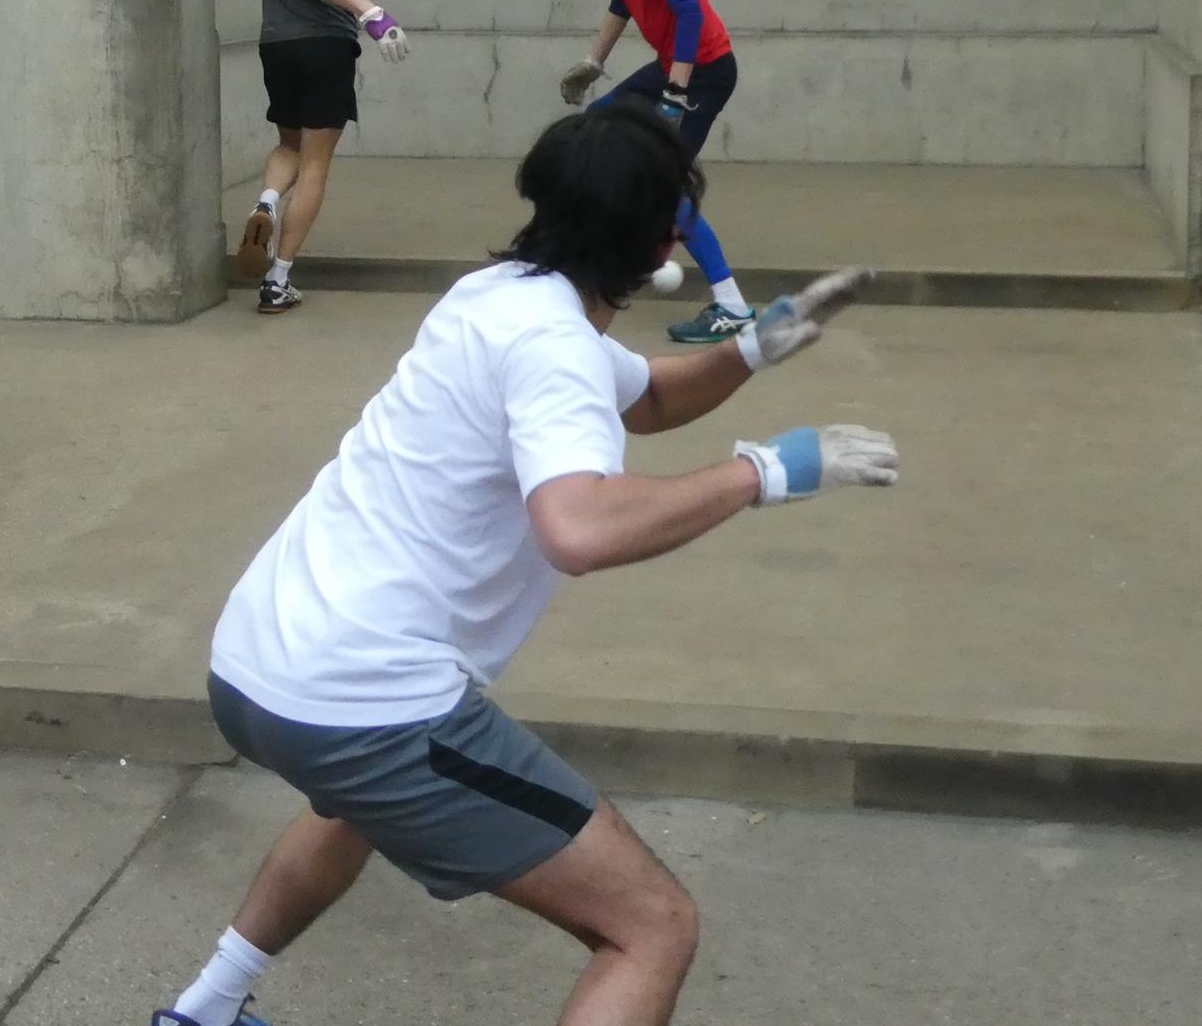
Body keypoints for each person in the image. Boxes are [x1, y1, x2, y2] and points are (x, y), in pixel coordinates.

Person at [155, 102, 896, 1026]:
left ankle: (206, 1011)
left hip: (258, 662)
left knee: (357, 807)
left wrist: (752, 349)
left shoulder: (501, 295)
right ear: (659, 239)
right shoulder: (553, 349)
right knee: (651, 926)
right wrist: (760, 474)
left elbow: (647, 401)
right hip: (364, 702)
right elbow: (577, 529)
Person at [214, 0, 409, 316]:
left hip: (276, 43)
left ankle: (267, 202)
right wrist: (370, 13)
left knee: (290, 145)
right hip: (324, 40)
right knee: (317, 164)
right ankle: (278, 282)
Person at [555, 0, 753, 344]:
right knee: (592, 129)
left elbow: (687, 11)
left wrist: (675, 94)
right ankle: (611, 258)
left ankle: (731, 306)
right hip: (671, 65)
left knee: (665, 186)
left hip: (703, 71)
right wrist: (593, 60)